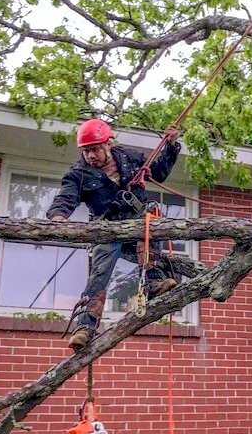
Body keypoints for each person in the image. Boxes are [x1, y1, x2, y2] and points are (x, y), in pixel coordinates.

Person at [48, 118, 182, 350]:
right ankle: (85, 326)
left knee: (150, 222)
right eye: (86, 150)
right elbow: (66, 197)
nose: (90, 155)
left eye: (95, 149)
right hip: (107, 230)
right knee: (99, 273)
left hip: (138, 225)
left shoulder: (130, 158)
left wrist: (170, 146)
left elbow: (159, 173)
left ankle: (154, 282)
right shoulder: (78, 174)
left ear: (108, 144)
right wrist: (58, 217)